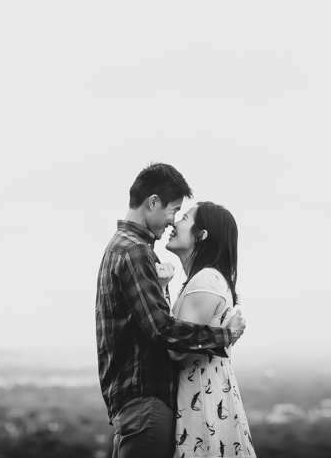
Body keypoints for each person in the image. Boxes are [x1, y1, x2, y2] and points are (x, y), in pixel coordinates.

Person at [97, 163, 247, 458]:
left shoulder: (120, 248)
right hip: (145, 402)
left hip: (131, 402)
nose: (173, 221)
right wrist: (224, 336)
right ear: (153, 202)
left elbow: (149, 325)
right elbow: (162, 330)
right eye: (174, 210)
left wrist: (162, 287)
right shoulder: (136, 251)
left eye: (181, 215)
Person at [165, 202, 256, 457]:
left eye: (184, 218)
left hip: (202, 401)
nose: (174, 223)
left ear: (201, 234)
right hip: (210, 394)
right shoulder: (210, 279)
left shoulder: (205, 280)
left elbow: (176, 348)